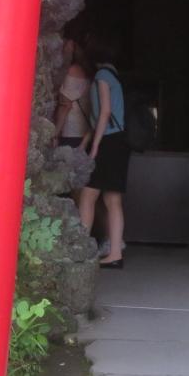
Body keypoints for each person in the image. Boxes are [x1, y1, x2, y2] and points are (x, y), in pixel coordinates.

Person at [77, 37, 129, 269]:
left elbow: (104, 113)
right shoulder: (115, 76)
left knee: (88, 195)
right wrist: (86, 142)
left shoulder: (101, 76)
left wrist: (94, 146)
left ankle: (80, 249)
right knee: (113, 199)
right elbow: (102, 116)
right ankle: (115, 253)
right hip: (119, 141)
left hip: (108, 142)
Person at [52, 37, 92, 151]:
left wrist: (55, 134)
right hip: (85, 131)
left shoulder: (72, 70)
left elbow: (66, 105)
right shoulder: (88, 70)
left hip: (71, 131)